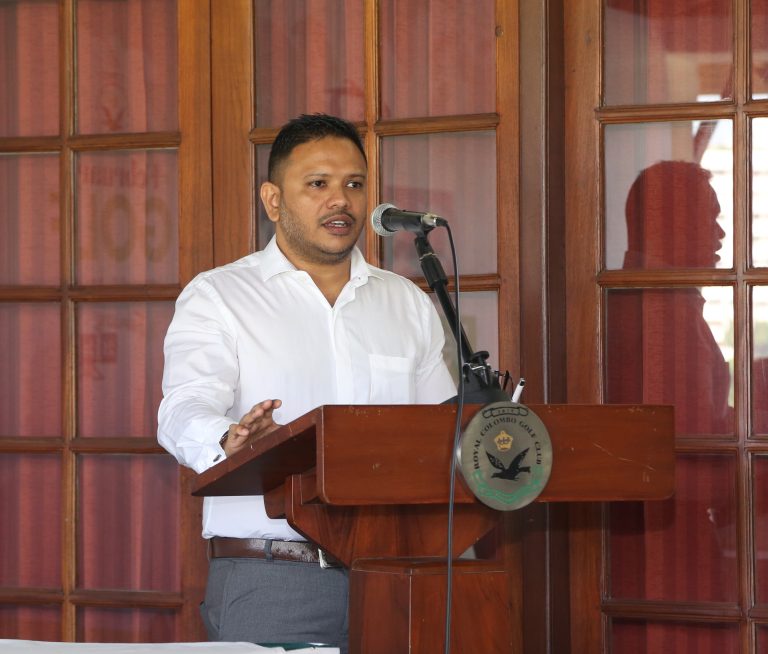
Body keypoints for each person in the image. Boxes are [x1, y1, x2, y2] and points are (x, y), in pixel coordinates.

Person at [157, 113, 456, 652]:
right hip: (275, 577)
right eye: (318, 184)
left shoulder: (406, 301)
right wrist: (229, 440)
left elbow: (438, 429)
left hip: (397, 573)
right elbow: (183, 407)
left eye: (354, 184)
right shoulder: (220, 295)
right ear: (273, 200)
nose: (340, 201)